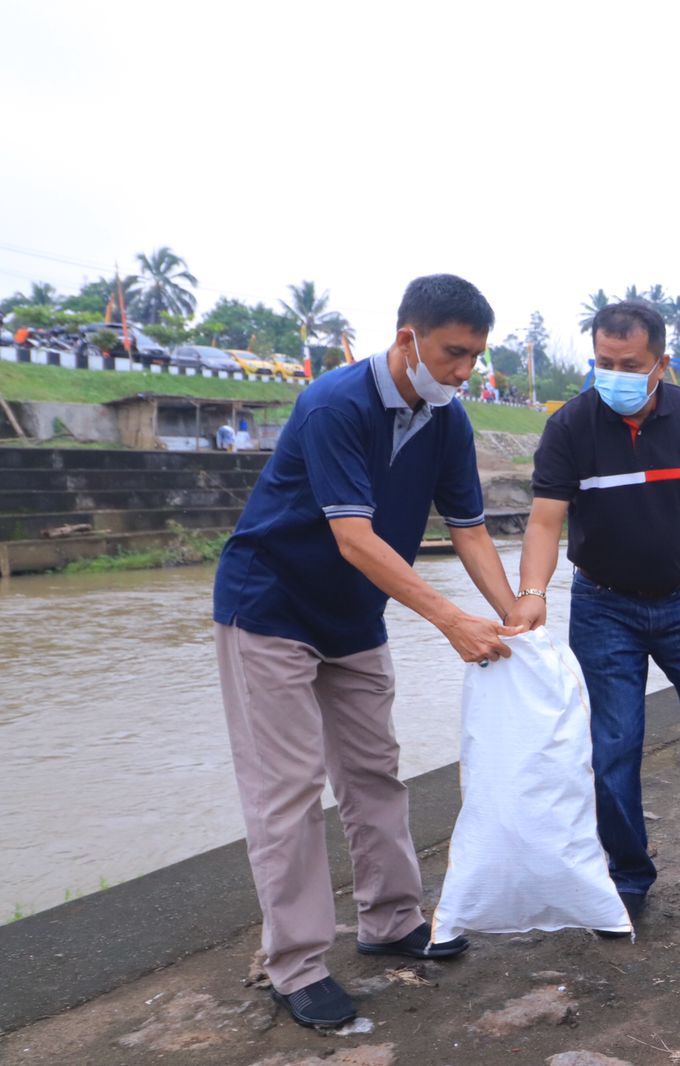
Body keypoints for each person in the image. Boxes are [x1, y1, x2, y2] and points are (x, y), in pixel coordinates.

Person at [212, 275, 524, 1029]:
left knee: (374, 772)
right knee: (287, 790)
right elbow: (355, 537)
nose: (462, 372)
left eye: (475, 358)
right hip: (271, 608)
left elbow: (470, 528)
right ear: (407, 337)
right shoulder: (334, 404)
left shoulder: (448, 419)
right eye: (453, 353)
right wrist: (451, 620)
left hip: (354, 616)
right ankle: (296, 964)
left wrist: (513, 612)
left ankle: (391, 923)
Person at [511, 300, 680, 934]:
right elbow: (546, 520)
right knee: (611, 747)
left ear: (661, 362)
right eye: (603, 363)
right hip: (603, 605)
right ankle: (629, 875)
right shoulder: (571, 427)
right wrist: (532, 591)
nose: (614, 375)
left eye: (629, 364)